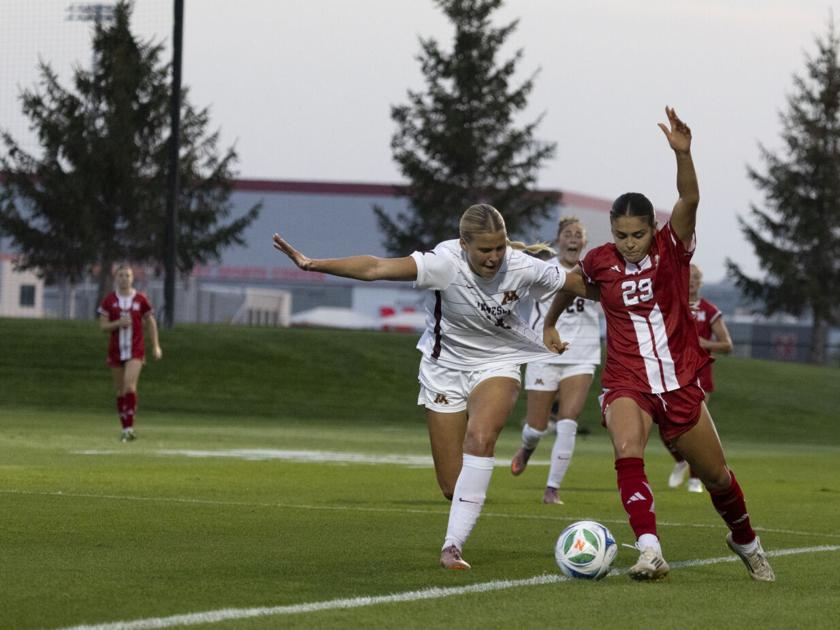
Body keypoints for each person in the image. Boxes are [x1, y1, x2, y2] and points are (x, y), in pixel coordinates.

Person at [273, 204, 585, 571]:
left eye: (500, 247)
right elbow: (376, 268)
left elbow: (576, 284)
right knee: (452, 487)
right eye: (485, 249)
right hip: (444, 369)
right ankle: (462, 513)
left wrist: (622, 298)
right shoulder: (443, 263)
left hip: (497, 363)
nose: (495, 257)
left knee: (481, 437)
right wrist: (313, 264)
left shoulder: (521, 265)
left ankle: (452, 547)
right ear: (464, 244)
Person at [543, 107, 775, 582]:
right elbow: (571, 285)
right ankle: (649, 550)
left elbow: (690, 198)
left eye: (638, 234)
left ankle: (745, 540)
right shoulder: (599, 261)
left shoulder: (672, 248)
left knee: (717, 477)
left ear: (653, 229)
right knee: (627, 449)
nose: (630, 243)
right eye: (621, 235)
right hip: (627, 379)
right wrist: (550, 323)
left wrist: (683, 154)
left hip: (679, 381)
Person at [510, 217, 602, 505]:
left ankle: (552, 489)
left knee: (568, 422)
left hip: (582, 354)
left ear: (584, 242)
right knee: (536, 428)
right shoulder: (544, 269)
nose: (573, 238)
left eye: (578, 234)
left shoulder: (594, 271)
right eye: (568, 233)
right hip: (544, 351)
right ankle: (527, 447)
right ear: (559, 239)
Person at [665, 263, 733, 492]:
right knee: (666, 427)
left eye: (696, 277)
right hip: (671, 374)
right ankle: (681, 461)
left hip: (700, 375)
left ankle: (695, 480)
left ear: (700, 282)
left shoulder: (709, 310)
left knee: (694, 426)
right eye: (688, 276)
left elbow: (727, 345)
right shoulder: (672, 305)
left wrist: (705, 343)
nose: (692, 281)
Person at [97, 264, 162, 442]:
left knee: (129, 386)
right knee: (120, 391)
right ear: (115, 278)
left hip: (136, 349)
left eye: (127, 275)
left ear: (132, 278)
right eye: (121, 275)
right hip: (116, 350)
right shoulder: (109, 300)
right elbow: (103, 326)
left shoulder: (140, 299)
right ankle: (125, 429)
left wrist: (156, 346)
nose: (124, 278)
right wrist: (118, 323)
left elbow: (151, 322)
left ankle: (130, 427)